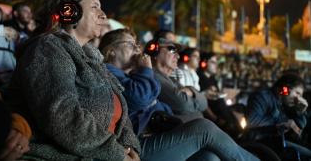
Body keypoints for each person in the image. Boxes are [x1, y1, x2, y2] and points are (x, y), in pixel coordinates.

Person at [4, 0, 140, 161]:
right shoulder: (47, 49)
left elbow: (122, 113)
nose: (103, 15)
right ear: (70, 11)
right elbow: (61, 115)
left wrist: (132, 149)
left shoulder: (94, 59)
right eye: (94, 7)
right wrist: (117, 154)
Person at [99, 29, 260, 161]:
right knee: (204, 128)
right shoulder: (110, 73)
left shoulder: (134, 75)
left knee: (209, 158)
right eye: (129, 44)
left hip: (157, 134)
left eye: (136, 44)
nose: (136, 48)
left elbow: (168, 104)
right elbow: (141, 97)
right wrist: (146, 70)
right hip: (137, 145)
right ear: (111, 52)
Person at [246, 72, 311, 158]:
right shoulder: (263, 96)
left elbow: (300, 129)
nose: (298, 99)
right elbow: (252, 121)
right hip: (260, 144)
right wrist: (282, 122)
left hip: (278, 143)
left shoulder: (286, 103)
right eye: (297, 93)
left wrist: (300, 112)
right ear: (285, 89)